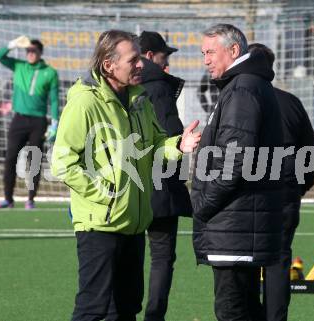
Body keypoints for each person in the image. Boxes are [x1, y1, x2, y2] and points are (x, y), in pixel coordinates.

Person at [51, 30, 200, 321]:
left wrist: (178, 145)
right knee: (93, 309)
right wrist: (105, 195)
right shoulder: (84, 103)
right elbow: (63, 162)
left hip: (134, 223)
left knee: (128, 308)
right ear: (109, 65)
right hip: (100, 226)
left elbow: (155, 147)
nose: (141, 64)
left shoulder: (140, 100)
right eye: (133, 60)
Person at [191, 24, 284, 321]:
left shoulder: (243, 88)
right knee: (244, 308)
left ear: (233, 51)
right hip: (240, 223)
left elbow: (234, 162)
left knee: (232, 310)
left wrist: (202, 206)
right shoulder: (244, 84)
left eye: (210, 52)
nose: (205, 60)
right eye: (203, 53)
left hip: (235, 223)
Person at [248, 43, 314, 321]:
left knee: (247, 260)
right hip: (286, 188)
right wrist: (301, 185)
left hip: (251, 191)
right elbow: (309, 151)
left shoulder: (241, 98)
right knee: (278, 258)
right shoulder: (291, 102)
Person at [138, 30, 193, 321]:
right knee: (161, 257)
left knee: (128, 257)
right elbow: (169, 134)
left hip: (128, 185)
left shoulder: (123, 86)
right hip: (158, 185)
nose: (167, 62)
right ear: (150, 56)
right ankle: (154, 317)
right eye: (164, 56)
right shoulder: (158, 87)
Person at [0, 36, 59, 210]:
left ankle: (30, 199)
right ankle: (8, 199)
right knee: (10, 157)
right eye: (28, 51)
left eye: (33, 51)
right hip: (19, 119)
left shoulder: (50, 72)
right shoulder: (18, 66)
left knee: (34, 159)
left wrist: (55, 123)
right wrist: (12, 44)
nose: (30, 54)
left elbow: (55, 100)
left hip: (38, 121)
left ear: (40, 52)